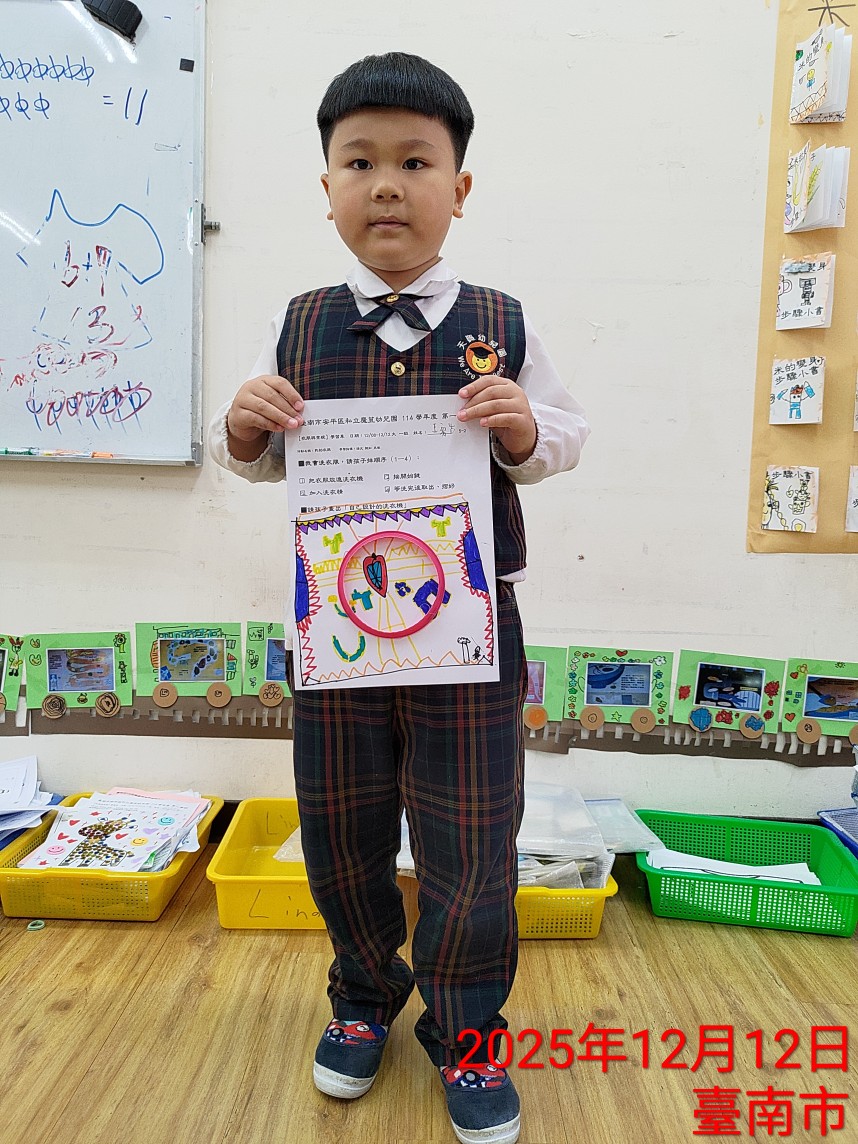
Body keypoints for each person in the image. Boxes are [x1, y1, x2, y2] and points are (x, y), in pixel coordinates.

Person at [209, 51, 590, 1144]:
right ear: (326, 187)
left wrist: (523, 427)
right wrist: (242, 426)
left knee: (472, 839)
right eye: (359, 161)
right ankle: (364, 997)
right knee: (342, 825)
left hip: (469, 636)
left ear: (458, 189)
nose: (386, 184)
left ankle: (468, 1032)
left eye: (415, 162)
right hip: (340, 632)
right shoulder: (295, 324)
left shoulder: (504, 320)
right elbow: (253, 457)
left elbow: (564, 436)